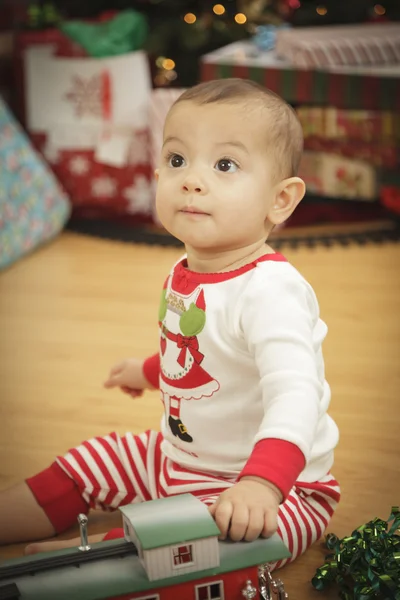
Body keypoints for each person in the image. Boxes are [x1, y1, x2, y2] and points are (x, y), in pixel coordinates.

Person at [0, 79, 340, 569]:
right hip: (177, 457)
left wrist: (260, 484)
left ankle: (93, 559)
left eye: (225, 165)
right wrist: (149, 371)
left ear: (280, 200)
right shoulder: (187, 268)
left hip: (278, 489)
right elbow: (203, 354)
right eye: (178, 160)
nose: (191, 179)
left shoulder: (271, 292)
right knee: (94, 459)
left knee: (200, 545)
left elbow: (296, 396)